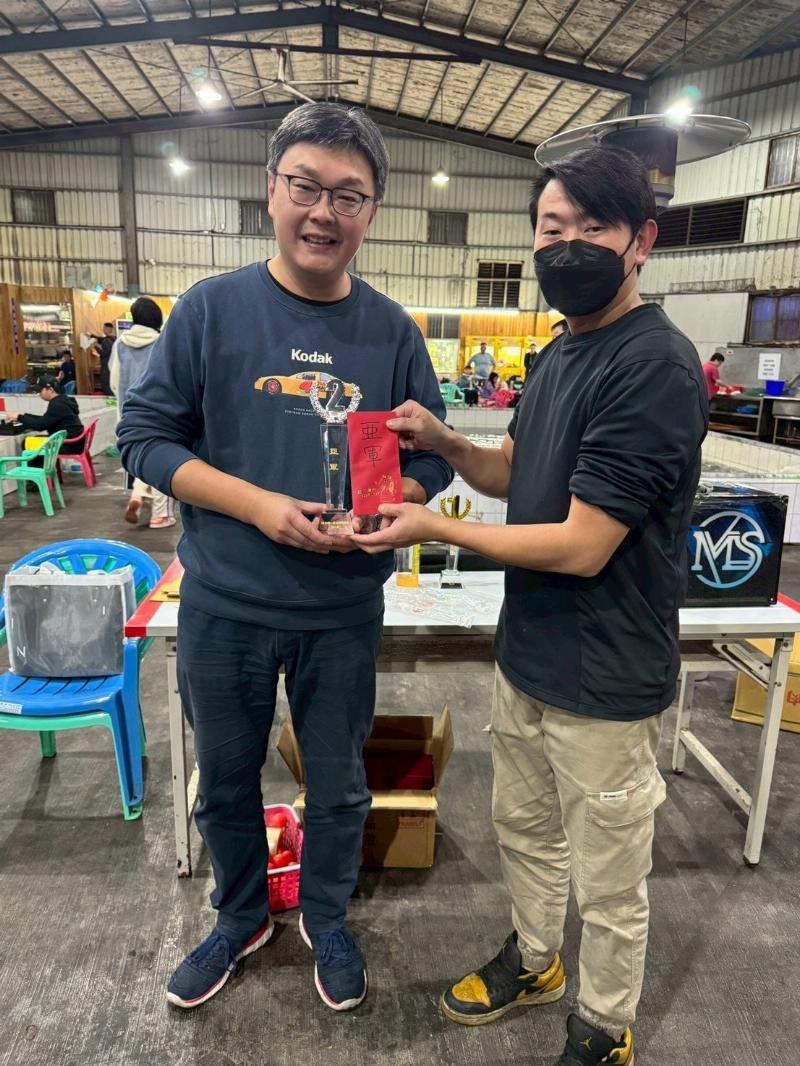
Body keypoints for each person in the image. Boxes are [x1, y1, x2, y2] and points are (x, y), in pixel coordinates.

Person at [353, 145, 708, 1066]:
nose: (569, 245)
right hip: (531, 655)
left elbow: (584, 544)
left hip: (607, 675)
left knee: (610, 876)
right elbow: (511, 472)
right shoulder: (557, 354)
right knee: (525, 829)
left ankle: (604, 1025)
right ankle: (538, 958)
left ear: (641, 242)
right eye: (553, 227)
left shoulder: (654, 365)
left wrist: (434, 526)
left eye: (594, 227)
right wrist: (444, 441)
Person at [117, 103, 452, 1014]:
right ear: (271, 190)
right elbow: (145, 440)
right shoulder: (211, 311)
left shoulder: (392, 332)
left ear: (372, 211)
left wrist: (396, 499)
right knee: (225, 780)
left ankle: (327, 915)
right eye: (306, 186)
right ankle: (238, 917)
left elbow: (428, 457)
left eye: (349, 195)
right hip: (225, 604)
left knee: (339, 783)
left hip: (340, 611)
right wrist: (260, 507)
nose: (323, 212)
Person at [110, 299, 176, 529]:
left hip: (128, 414)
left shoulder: (120, 344)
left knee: (143, 456)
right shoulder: (162, 341)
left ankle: (137, 495)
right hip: (162, 412)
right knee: (164, 461)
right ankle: (161, 515)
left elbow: (114, 381)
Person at [5, 374, 84, 461]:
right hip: (74, 443)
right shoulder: (63, 400)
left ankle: (39, 470)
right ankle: (44, 469)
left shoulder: (57, 404)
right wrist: (24, 415)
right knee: (33, 440)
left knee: (28, 443)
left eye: (40, 390)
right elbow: (46, 419)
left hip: (68, 445)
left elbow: (40, 425)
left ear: (50, 389)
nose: (39, 394)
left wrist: (19, 417)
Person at [93, 322, 116, 395]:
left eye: (103, 328)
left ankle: (110, 400)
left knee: (105, 385)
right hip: (112, 366)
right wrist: (93, 336)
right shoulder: (114, 339)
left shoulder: (107, 341)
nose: (103, 330)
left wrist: (96, 347)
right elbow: (101, 339)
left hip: (106, 366)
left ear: (107, 329)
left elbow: (104, 353)